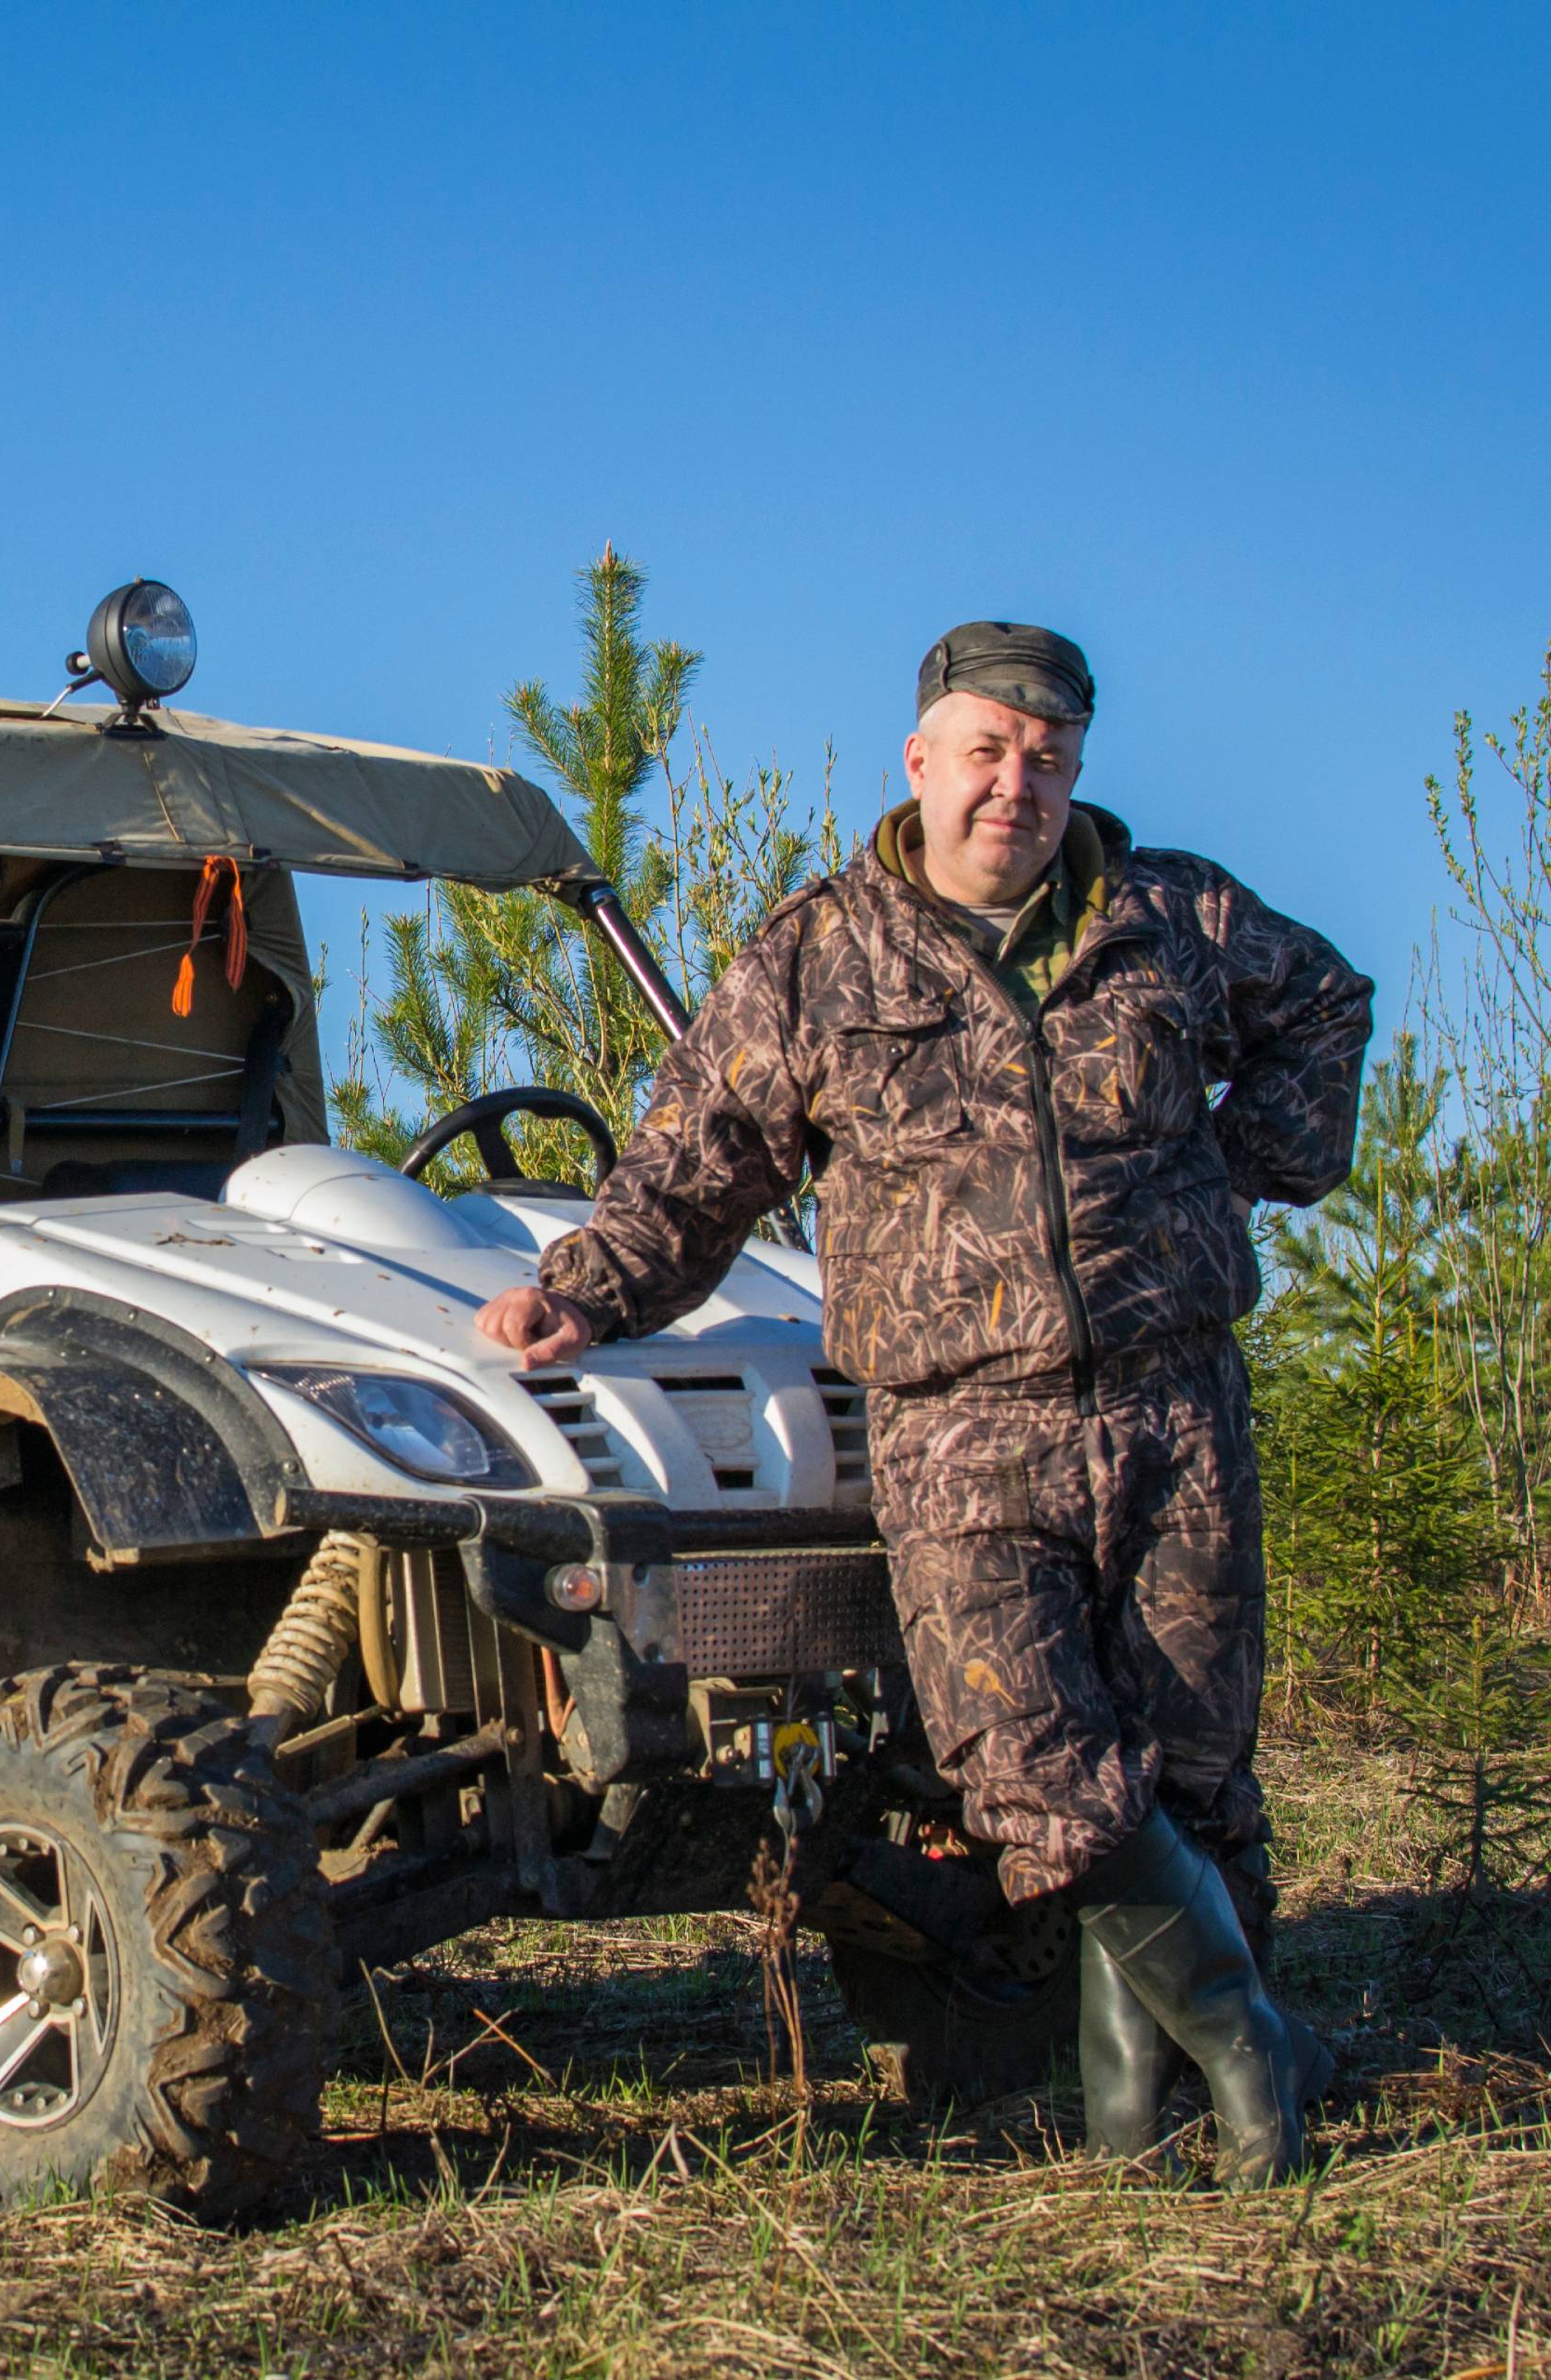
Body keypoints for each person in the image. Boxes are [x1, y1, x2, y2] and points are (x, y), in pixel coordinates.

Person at [476, 620, 1373, 2184]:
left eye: (1046, 757)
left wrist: (1235, 1175)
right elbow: (703, 1159)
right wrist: (588, 1289)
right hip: (961, 1431)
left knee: (1188, 1766)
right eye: (985, 750)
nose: (1014, 785)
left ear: (1077, 768)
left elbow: (1326, 1010)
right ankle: (1253, 2045)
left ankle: (1136, 2136)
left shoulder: (1174, 916)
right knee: (1031, 1769)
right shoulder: (825, 954)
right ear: (921, 760)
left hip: (1175, 1410)